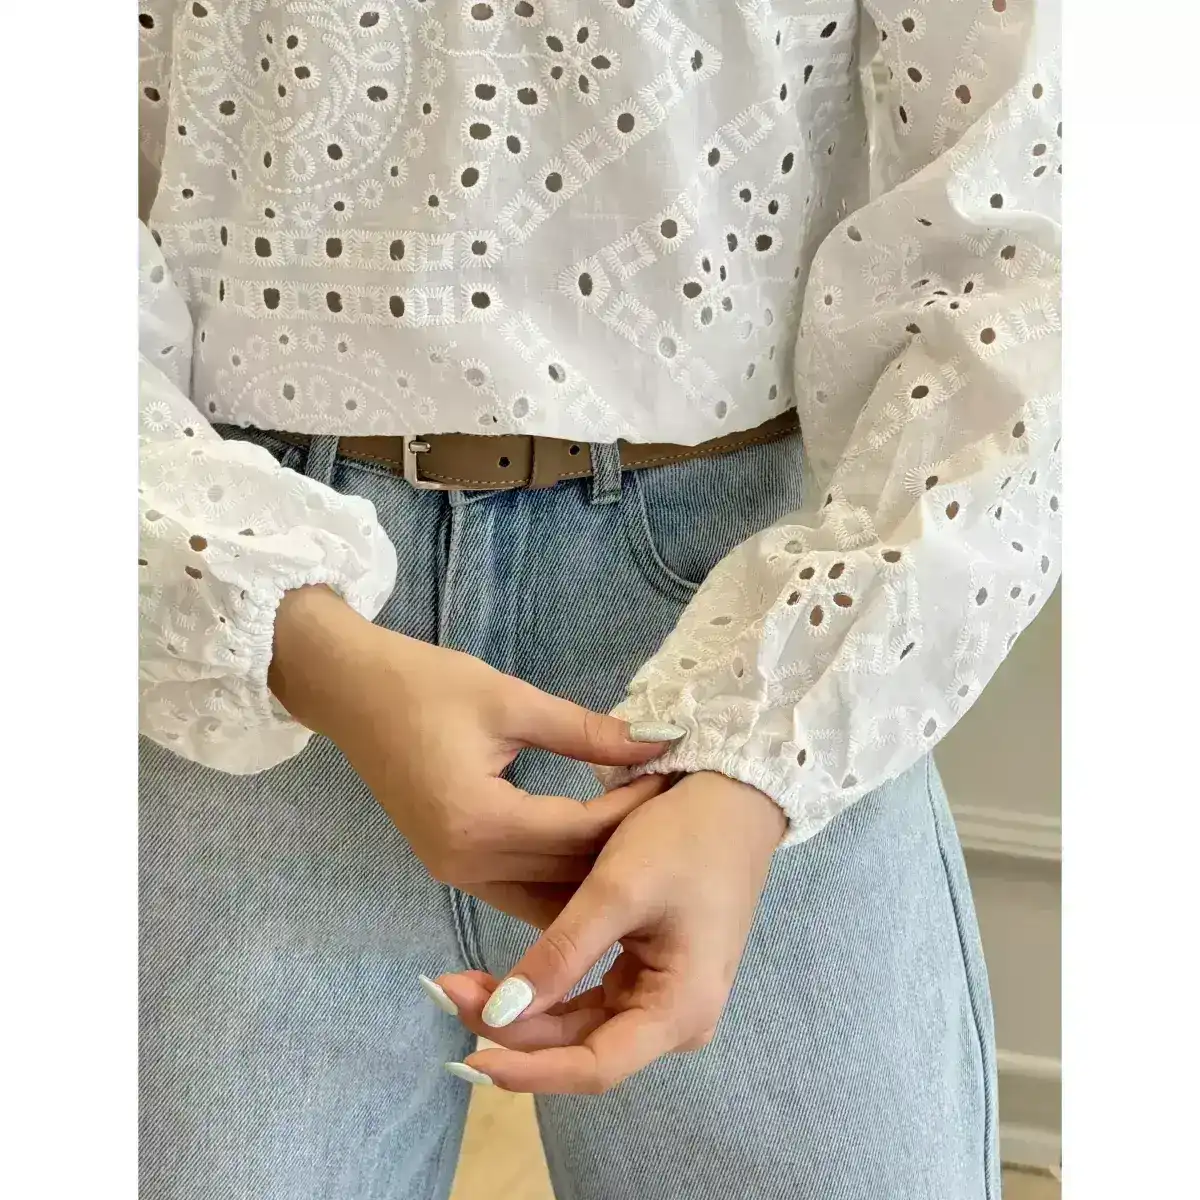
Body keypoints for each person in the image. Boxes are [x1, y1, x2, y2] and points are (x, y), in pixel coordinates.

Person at [138, 1, 1060, 1197]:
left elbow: (1034, 243)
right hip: (225, 637)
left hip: (747, 649)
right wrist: (284, 630)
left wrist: (758, 761)